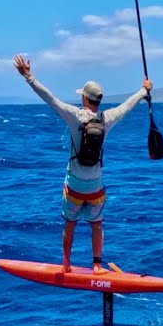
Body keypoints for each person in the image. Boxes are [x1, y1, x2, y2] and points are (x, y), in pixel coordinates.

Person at [13, 54, 151, 273]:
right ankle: (96, 265)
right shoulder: (107, 119)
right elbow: (127, 106)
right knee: (96, 225)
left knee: (70, 223)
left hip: (75, 185)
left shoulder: (74, 116)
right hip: (95, 185)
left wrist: (28, 77)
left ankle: (66, 264)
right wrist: (144, 91)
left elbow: (50, 98)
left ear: (86, 99)